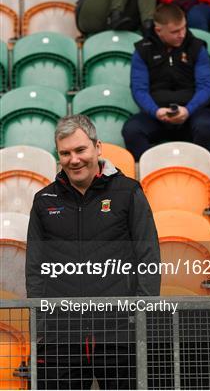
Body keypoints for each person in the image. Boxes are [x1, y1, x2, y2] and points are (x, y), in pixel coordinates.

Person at [26, 114, 160, 389]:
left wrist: (142, 317)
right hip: (61, 334)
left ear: (97, 147)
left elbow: (148, 257)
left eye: (80, 150)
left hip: (119, 330)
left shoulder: (128, 192)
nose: (73, 159)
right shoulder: (44, 201)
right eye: (65, 153)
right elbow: (35, 267)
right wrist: (41, 323)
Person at [122, 3, 210, 160]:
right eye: (175, 31)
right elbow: (139, 90)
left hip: (192, 112)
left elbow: (206, 87)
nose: (182, 34)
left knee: (206, 127)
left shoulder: (196, 47)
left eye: (184, 28)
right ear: (159, 31)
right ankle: (154, 171)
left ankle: (198, 170)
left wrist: (188, 110)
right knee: (132, 130)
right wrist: (156, 111)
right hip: (157, 114)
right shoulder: (143, 50)